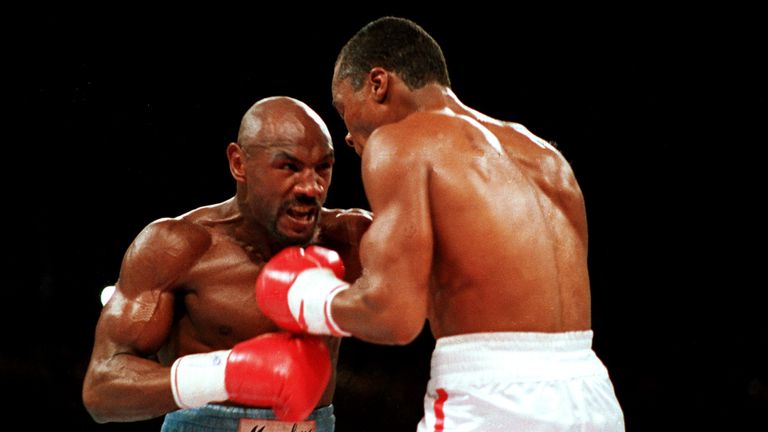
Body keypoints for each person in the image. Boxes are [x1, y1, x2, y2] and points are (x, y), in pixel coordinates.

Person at [254, 17, 625, 431]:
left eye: (343, 110)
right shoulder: (545, 157)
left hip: (493, 398)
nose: (347, 135)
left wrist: (307, 299)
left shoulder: (400, 143)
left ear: (378, 83)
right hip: (592, 394)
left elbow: (395, 317)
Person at [82, 96, 372, 432]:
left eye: (323, 167)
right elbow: (102, 390)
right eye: (289, 167)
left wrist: (386, 148)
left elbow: (441, 274)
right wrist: (225, 374)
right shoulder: (178, 247)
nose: (312, 187)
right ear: (239, 163)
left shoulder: (350, 240)